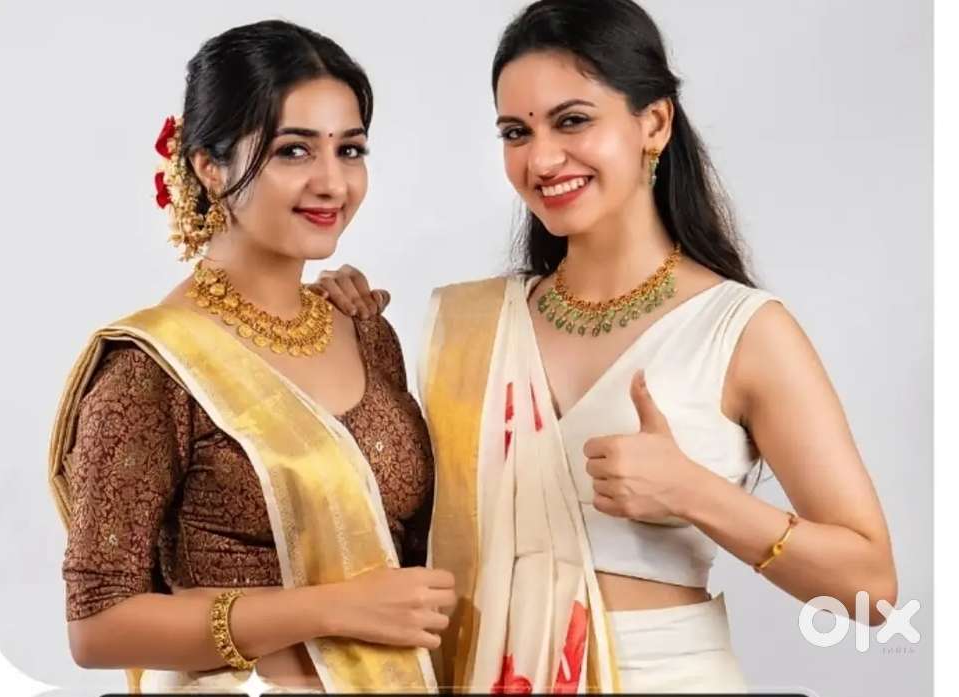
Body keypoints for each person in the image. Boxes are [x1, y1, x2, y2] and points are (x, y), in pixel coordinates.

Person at [315, 1, 897, 692]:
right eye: (516, 131)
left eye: (572, 120)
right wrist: (344, 349)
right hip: (486, 673)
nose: (541, 158)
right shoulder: (470, 324)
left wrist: (694, 492)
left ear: (655, 123)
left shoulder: (742, 330)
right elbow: (408, 542)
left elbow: (872, 591)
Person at [47, 19, 454, 694]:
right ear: (210, 167)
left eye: (350, 150)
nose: (333, 182)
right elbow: (97, 624)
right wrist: (333, 608)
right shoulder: (155, 366)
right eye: (294, 151)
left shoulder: (364, 333)